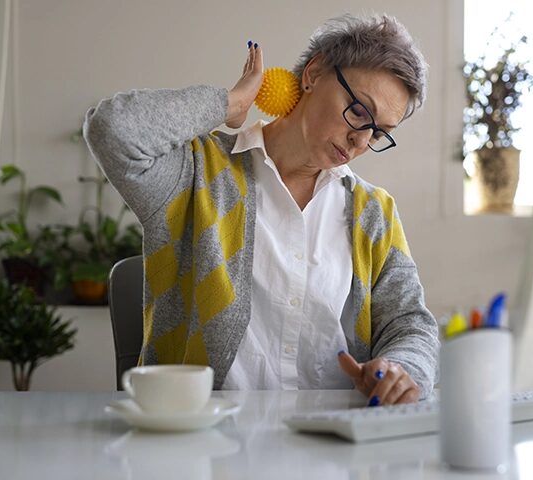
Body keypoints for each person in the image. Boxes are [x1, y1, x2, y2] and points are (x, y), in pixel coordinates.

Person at [84, 12, 439, 405]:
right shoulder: (196, 173)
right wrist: (230, 103)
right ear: (314, 73)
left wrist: (402, 370)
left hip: (333, 446)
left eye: (379, 132)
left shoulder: (373, 212)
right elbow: (112, 130)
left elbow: (410, 323)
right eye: (358, 111)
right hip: (207, 444)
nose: (360, 140)